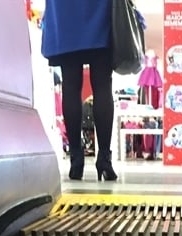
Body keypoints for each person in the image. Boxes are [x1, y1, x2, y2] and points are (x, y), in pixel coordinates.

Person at [41, 0, 117, 181]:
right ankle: (104, 159)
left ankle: (76, 159)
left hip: (65, 10)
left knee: (70, 85)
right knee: (102, 85)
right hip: (99, 7)